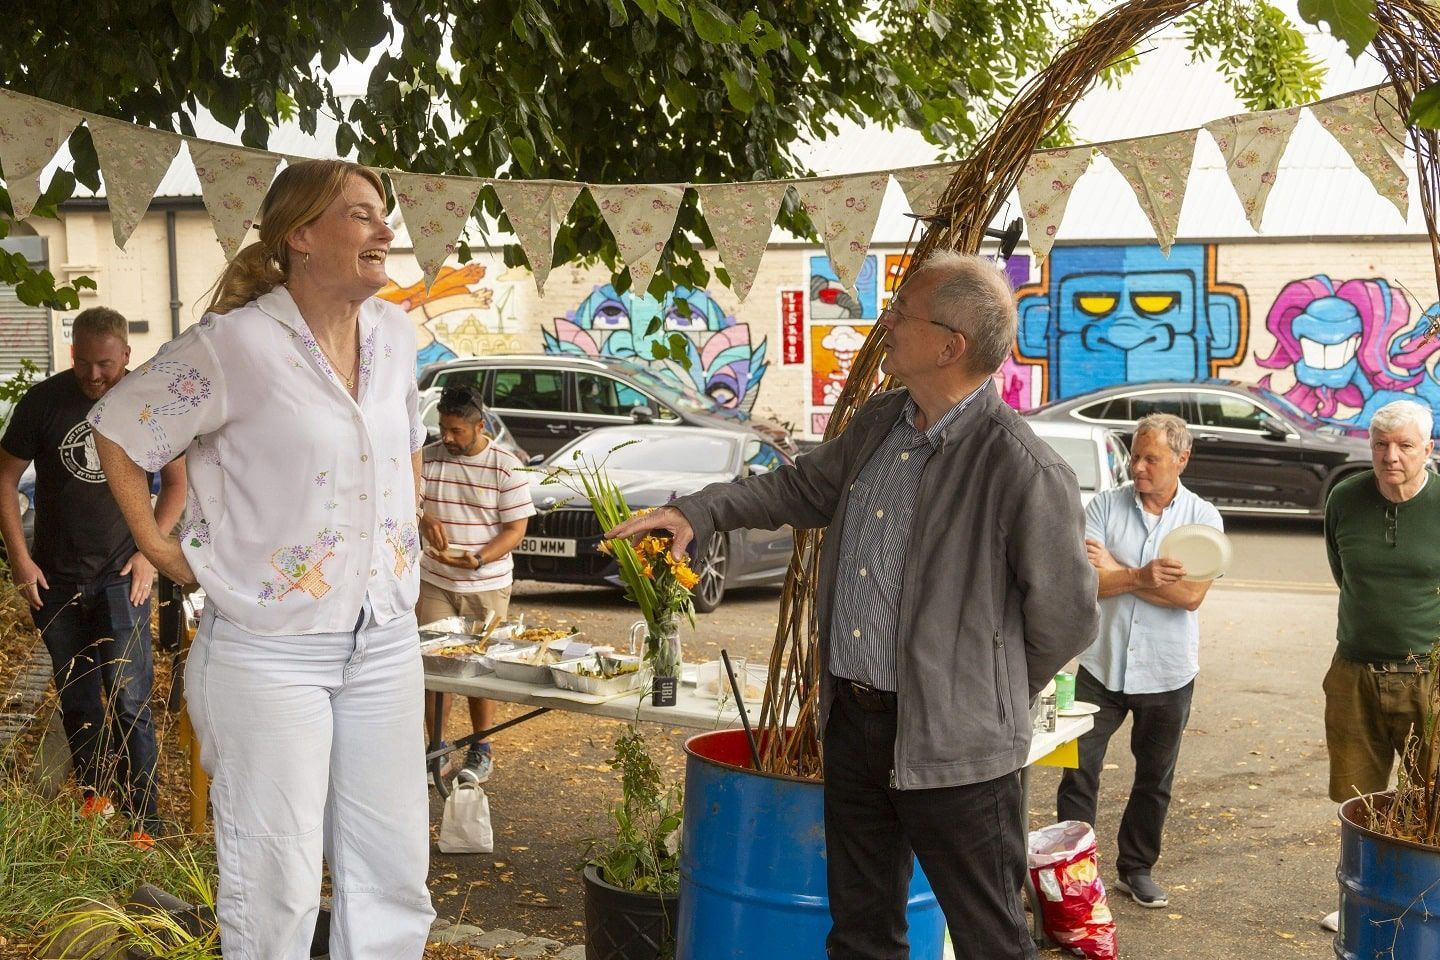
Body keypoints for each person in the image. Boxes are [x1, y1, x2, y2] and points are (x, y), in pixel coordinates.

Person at [607, 251, 1099, 960]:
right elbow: (800, 489)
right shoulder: (882, 422)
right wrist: (699, 512)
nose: (886, 322)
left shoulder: (1020, 467)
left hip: (958, 753)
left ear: (949, 346)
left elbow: (1066, 619)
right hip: (856, 723)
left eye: (902, 311)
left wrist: (977, 698)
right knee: (861, 934)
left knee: (993, 940)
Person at [89, 159, 434, 960]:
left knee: (392, 877)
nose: (385, 231)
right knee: (273, 883)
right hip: (268, 652)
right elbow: (118, 423)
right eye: (361, 215)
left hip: (384, 639)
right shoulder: (235, 345)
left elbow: (405, 440)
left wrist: (399, 533)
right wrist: (150, 538)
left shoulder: (395, 332)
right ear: (302, 236)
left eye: (384, 214)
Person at [0, 307, 184, 844]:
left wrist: (151, 551)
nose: (93, 376)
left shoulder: (147, 403)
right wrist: (19, 556)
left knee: (129, 698)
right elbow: (5, 478)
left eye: (104, 364)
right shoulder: (44, 402)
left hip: (122, 575)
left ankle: (144, 822)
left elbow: (176, 484)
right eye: (83, 363)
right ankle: (96, 802)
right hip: (54, 576)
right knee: (78, 697)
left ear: (126, 355)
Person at [1055, 413, 1221, 909]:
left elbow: (1192, 597)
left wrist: (1122, 574)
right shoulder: (1103, 506)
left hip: (1167, 671)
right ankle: (1073, 874)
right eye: (1135, 456)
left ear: (1181, 460)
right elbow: (1086, 584)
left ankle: (1136, 869)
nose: (1139, 467)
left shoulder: (1203, 520)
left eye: (1151, 458)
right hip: (1100, 664)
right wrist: (1146, 578)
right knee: (1078, 771)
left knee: (1154, 777)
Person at [1318, 399, 1440, 932]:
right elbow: (1343, 571)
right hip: (1355, 673)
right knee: (1358, 798)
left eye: (1405, 446)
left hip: (1429, 678)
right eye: (1381, 445)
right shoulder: (1345, 498)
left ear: (1428, 450)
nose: (1391, 457)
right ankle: (1363, 896)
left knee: (1430, 796)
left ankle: (1422, 904)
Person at [418, 383, 534, 784]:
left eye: (456, 431)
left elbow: (516, 529)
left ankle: (481, 748)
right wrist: (422, 517)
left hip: (486, 581)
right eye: (442, 429)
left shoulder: (505, 465)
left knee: (480, 670)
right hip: (434, 580)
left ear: (479, 426)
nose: (446, 438)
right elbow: (406, 501)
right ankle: (436, 748)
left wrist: (480, 558)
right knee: (436, 668)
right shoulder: (428, 459)